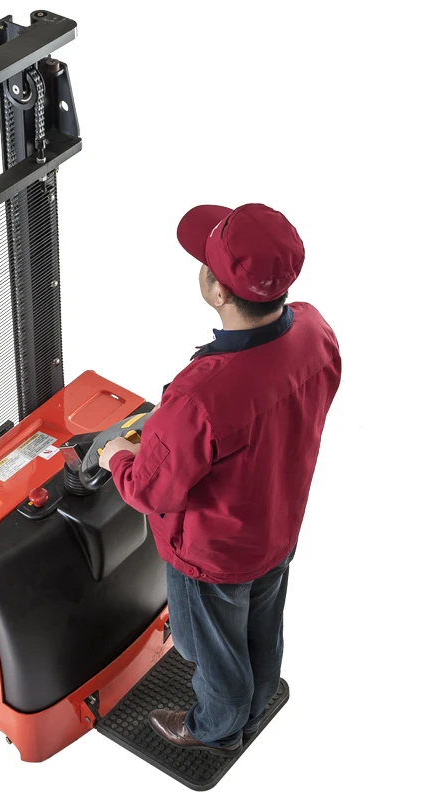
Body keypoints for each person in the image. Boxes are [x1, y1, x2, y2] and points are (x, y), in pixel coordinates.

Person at [99, 203, 341, 756]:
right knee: (261, 628)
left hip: (212, 556)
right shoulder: (315, 330)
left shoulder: (200, 396)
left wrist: (118, 456)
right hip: (278, 529)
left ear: (216, 291)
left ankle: (216, 728)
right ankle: (256, 701)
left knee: (206, 648)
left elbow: (150, 490)